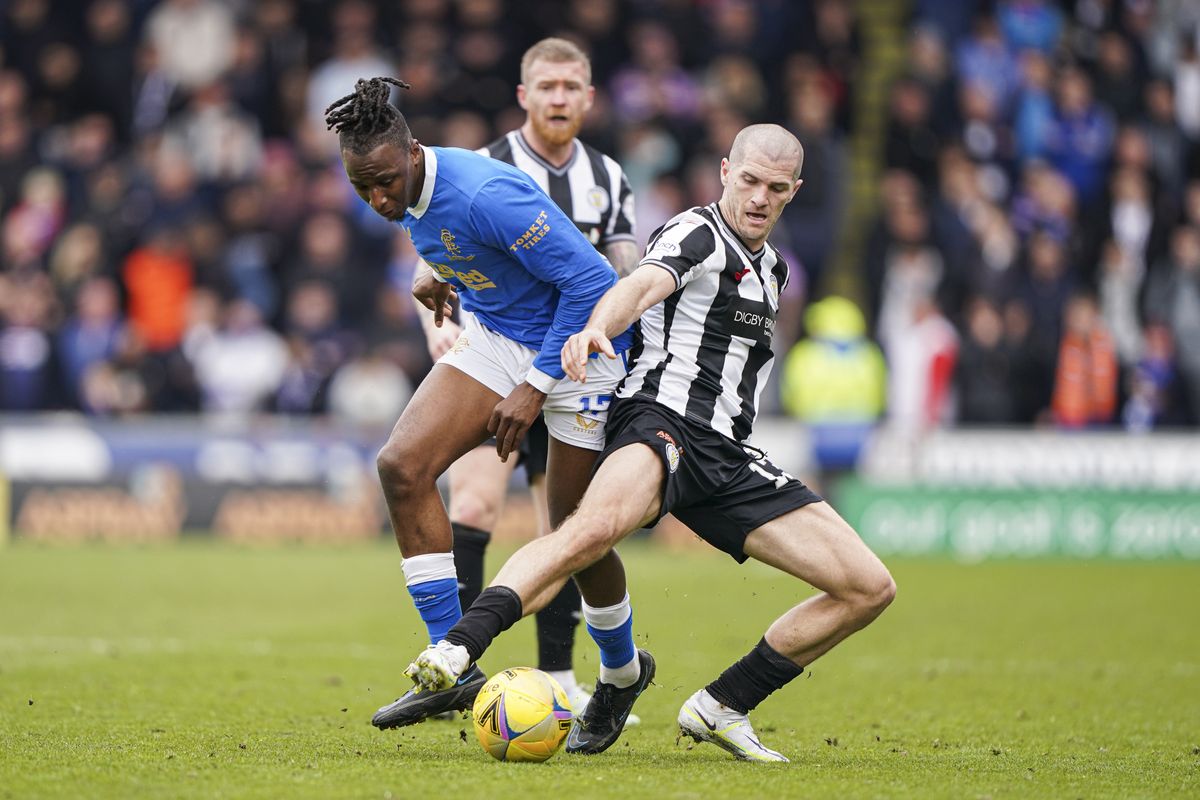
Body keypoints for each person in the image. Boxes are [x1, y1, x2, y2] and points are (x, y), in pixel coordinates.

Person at [405, 124, 896, 762]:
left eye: (775, 189)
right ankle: (460, 646)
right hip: (659, 424)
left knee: (869, 585)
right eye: (748, 181)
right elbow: (640, 283)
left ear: (794, 192)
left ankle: (722, 705)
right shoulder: (696, 231)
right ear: (725, 172)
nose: (758, 198)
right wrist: (595, 330)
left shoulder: (773, 269)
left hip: (727, 455)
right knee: (586, 532)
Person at [323, 76, 645, 733]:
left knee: (571, 535)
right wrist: (438, 272)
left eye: (385, 181)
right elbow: (465, 243)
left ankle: (621, 674)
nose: (379, 198)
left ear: (413, 154)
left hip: (581, 347)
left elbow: (590, 280)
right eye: (363, 188)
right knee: (402, 466)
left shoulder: (481, 192)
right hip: (499, 337)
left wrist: (536, 385)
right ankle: (455, 668)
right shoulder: (406, 190)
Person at [412, 38, 639, 716]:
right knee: (474, 505)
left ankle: (560, 674)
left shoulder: (610, 177)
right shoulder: (484, 165)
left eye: (572, 87)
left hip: (570, 368)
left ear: (590, 97)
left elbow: (625, 274)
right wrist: (439, 329)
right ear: (524, 96)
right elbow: (435, 263)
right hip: (497, 354)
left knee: (562, 525)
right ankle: (459, 667)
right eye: (548, 87)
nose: (560, 98)